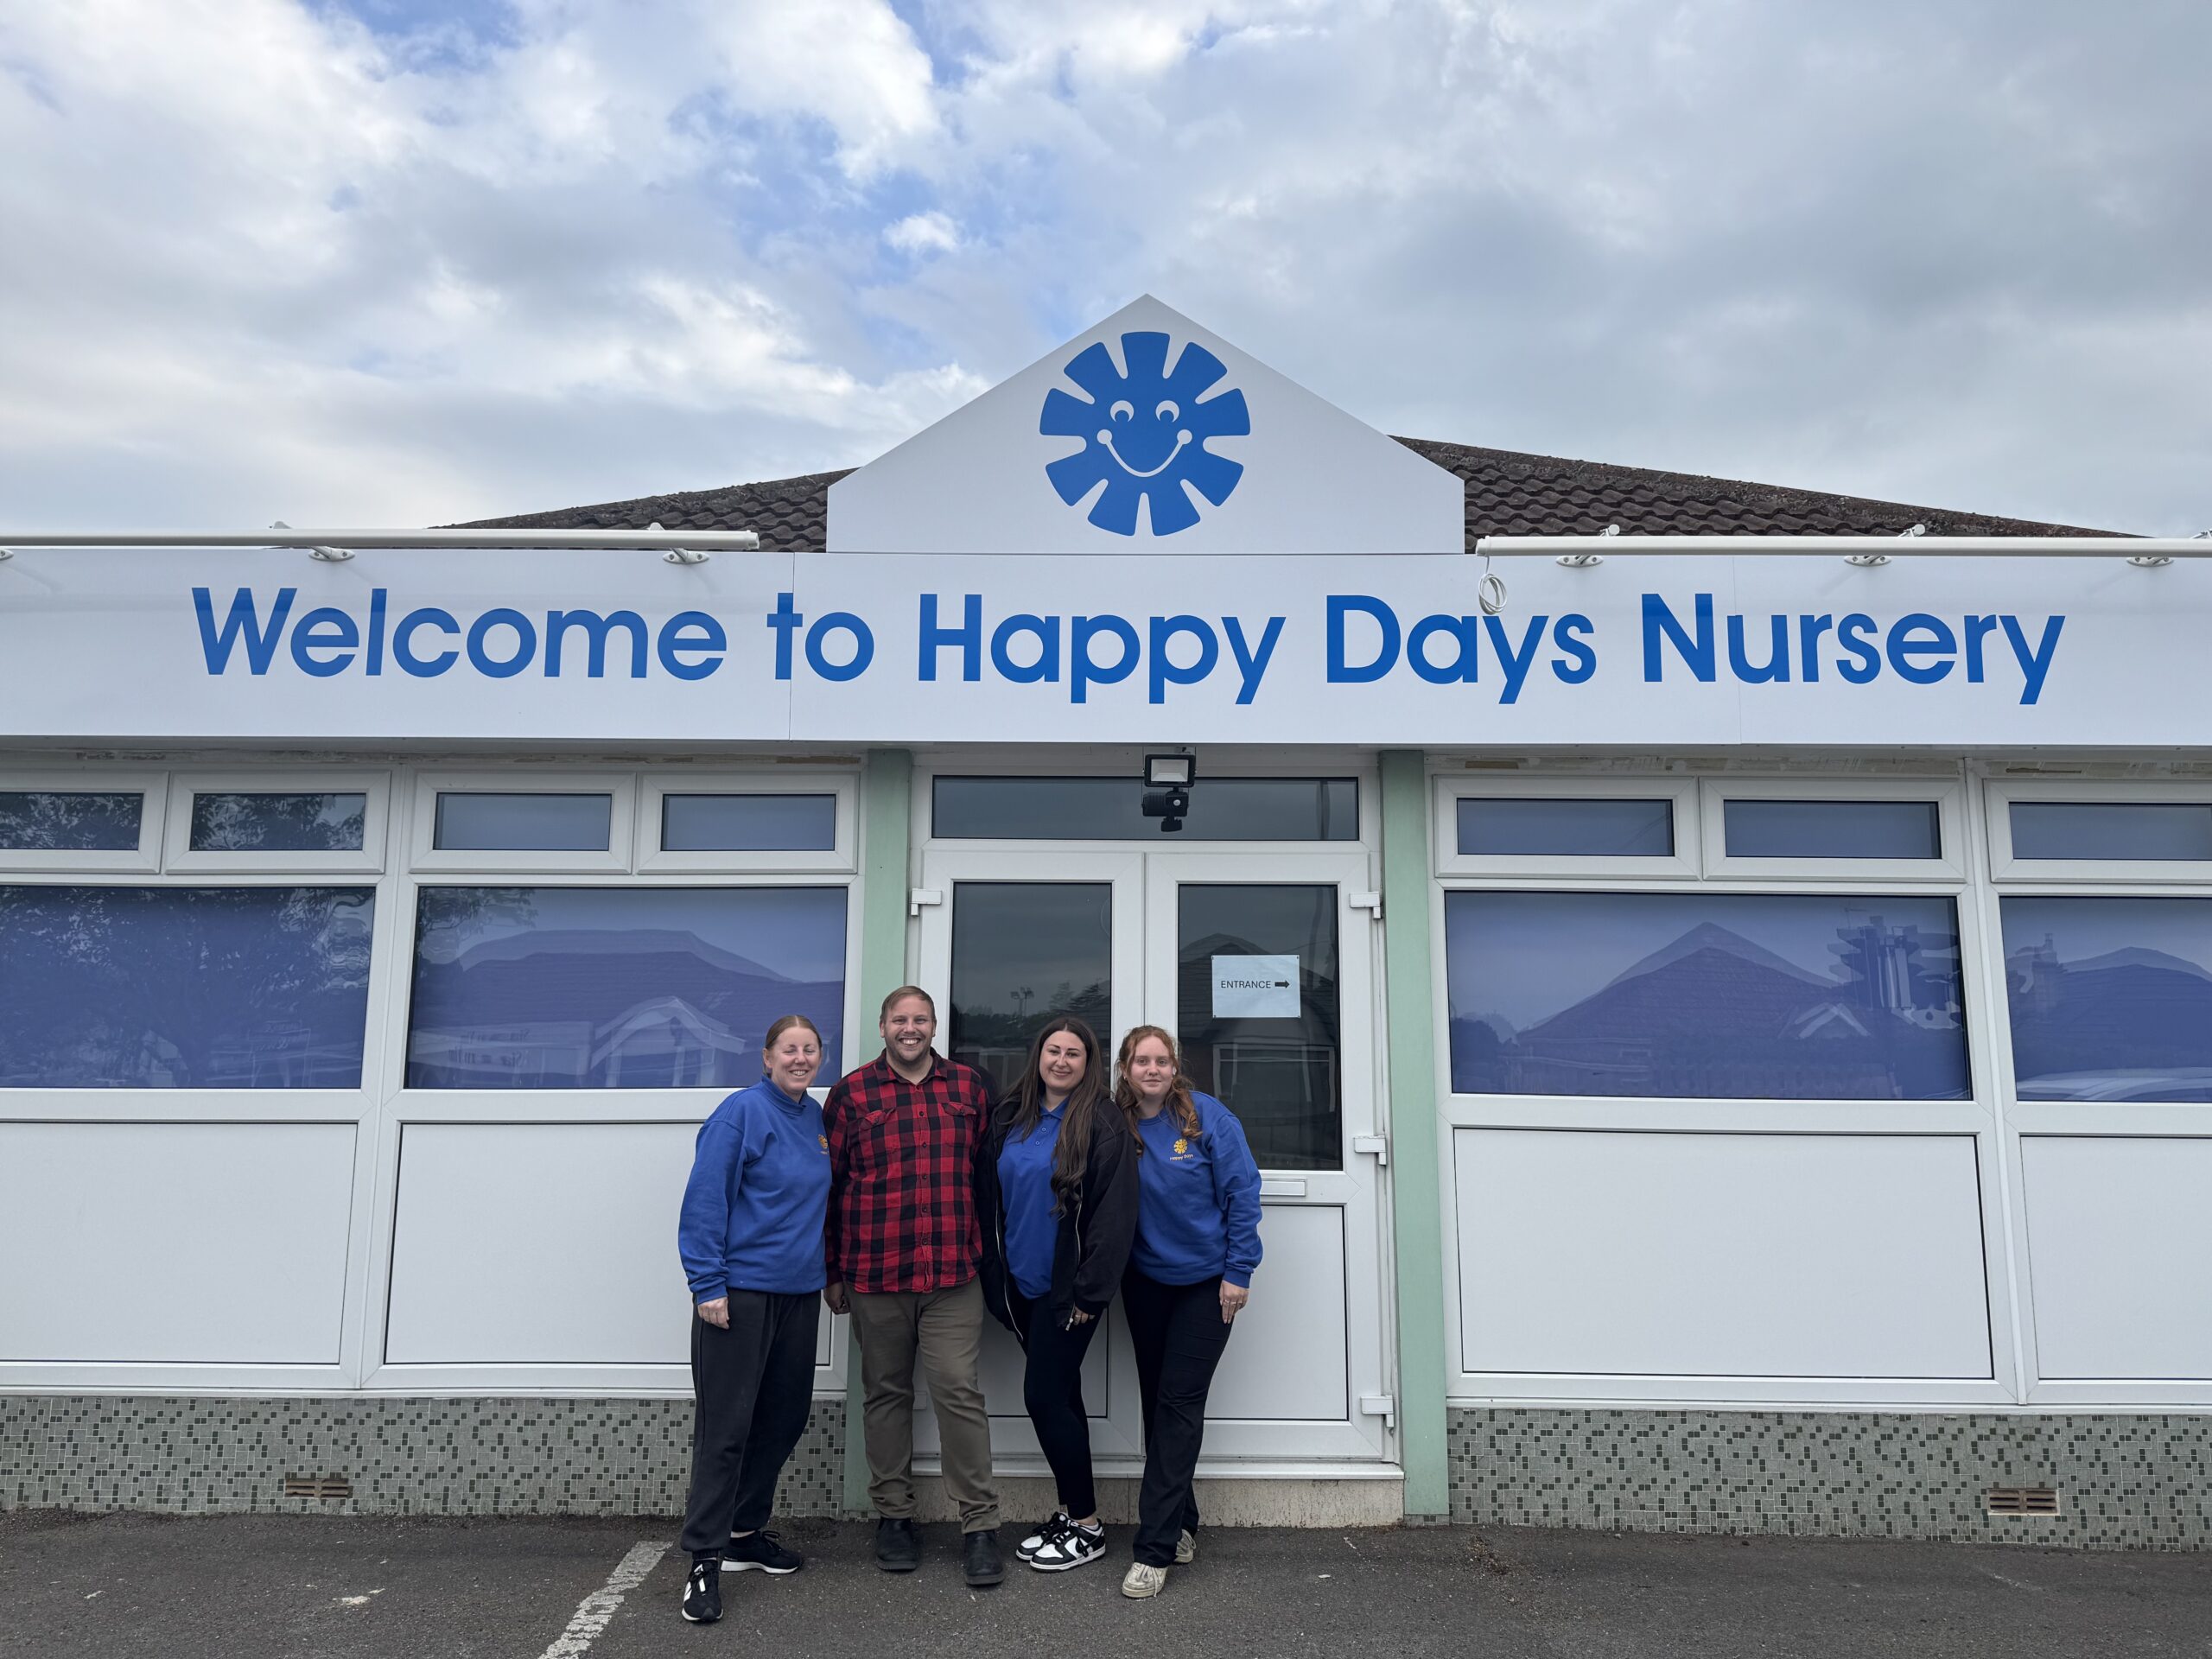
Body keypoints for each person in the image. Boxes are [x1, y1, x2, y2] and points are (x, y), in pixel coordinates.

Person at [822, 986, 1004, 1586]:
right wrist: (832, 1271)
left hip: (953, 1273)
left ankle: (979, 1525)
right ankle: (894, 1517)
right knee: (886, 1395)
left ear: (933, 1027)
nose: (910, 1028)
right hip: (876, 1274)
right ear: (882, 1027)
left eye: (920, 1019)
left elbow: (987, 1176)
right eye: (900, 1019)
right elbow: (830, 1185)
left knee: (957, 1389)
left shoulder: (970, 1089)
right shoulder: (850, 1094)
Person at [674, 1014, 834, 1626]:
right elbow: (706, 1197)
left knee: (785, 1417)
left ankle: (745, 1532)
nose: (799, 1059)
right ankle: (704, 1561)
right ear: (766, 1058)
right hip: (739, 1294)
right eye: (788, 1050)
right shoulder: (741, 1112)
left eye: (810, 1050)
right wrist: (706, 1283)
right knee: (728, 1429)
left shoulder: (815, 1120)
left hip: (799, 1294)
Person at [977, 1015, 1139, 1573]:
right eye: (1054, 1050)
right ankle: (1073, 1513)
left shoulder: (1101, 1121)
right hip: (1020, 1284)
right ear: (1038, 1055)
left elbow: (1114, 1219)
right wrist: (993, 1277)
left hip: (1069, 1292)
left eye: (1075, 1053)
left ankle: (1089, 1526)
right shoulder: (1010, 1114)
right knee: (1063, 1398)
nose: (1063, 1061)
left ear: (1088, 1063)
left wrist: (1090, 1294)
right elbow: (988, 1199)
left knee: (1044, 1398)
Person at [1112, 1024, 1262, 1600]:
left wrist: (1238, 1272)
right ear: (1126, 1068)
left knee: (1178, 1402)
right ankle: (1183, 1522)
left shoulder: (1205, 1119)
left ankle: (1153, 1549)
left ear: (1175, 1067)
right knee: (1159, 1402)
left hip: (1207, 1285)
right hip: (1146, 1283)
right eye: (1140, 1061)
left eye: (1161, 1060)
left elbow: (1243, 1193)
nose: (1151, 1069)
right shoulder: (1117, 1122)